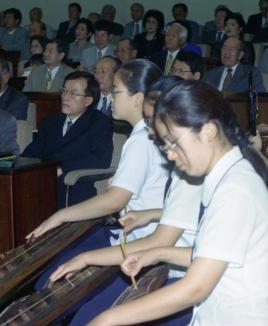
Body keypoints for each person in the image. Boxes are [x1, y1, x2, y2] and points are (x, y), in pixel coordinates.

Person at [92, 80, 268, 326]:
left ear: (208, 131)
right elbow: (217, 254)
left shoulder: (236, 189)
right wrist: (158, 253)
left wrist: (107, 319)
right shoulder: (227, 176)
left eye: (173, 143)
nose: (171, 155)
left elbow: (194, 288)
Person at [49, 75, 198, 326]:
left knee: (95, 317)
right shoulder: (189, 164)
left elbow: (186, 253)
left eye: (153, 122)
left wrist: (88, 258)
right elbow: (192, 215)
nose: (149, 130)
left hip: (191, 282)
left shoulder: (198, 170)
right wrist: (152, 213)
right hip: (168, 262)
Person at [28, 60, 167, 295]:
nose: (110, 97)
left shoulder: (143, 139)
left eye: (116, 91)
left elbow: (115, 201)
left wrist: (61, 215)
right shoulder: (146, 133)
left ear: (138, 98)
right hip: (130, 233)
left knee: (52, 283)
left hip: (142, 240)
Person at [22, 71, 113, 208]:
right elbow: (32, 152)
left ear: (88, 100)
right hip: (42, 181)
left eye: (74, 93)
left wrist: (62, 168)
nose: (65, 97)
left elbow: (101, 158)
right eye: (64, 91)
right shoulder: (50, 121)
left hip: (73, 185)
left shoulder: (98, 122)